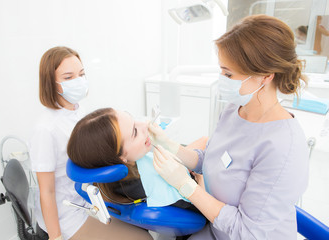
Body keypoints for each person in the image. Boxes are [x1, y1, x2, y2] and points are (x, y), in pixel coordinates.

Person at [150, 15, 309, 239]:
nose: (221, 79)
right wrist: (171, 146)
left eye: (228, 74)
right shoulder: (234, 110)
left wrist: (186, 186)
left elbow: (247, 232)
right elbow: (213, 160)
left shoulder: (282, 147)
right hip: (217, 229)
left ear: (264, 77)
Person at [30, 46, 152, 240]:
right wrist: (56, 237)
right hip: (67, 215)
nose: (78, 82)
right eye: (69, 77)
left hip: (89, 199)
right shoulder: (46, 128)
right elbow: (46, 190)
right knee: (143, 238)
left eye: (81, 74)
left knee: (142, 227)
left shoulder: (78, 110)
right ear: (50, 83)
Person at [67, 107, 205, 211]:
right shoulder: (148, 184)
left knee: (205, 141)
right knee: (206, 143)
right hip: (201, 195)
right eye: (134, 132)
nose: (144, 125)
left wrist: (168, 144)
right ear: (120, 157)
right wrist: (200, 175)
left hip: (183, 175)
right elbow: (201, 207)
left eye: (134, 121)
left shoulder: (117, 172)